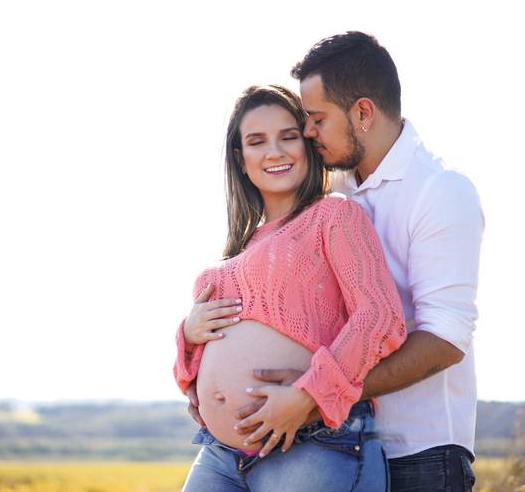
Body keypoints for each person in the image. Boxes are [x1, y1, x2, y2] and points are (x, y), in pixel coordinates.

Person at [227, 32, 485, 491]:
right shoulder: (335, 190)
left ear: (362, 113)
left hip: (420, 453)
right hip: (336, 442)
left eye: (317, 119)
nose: (307, 133)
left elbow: (446, 338)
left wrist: (313, 391)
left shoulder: (440, 191)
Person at [174, 84, 406, 491]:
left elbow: (380, 318)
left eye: (288, 136)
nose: (275, 151)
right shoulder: (234, 254)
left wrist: (308, 395)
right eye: (257, 141)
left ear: (308, 145)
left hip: (311, 441)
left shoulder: (334, 216)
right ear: (240, 158)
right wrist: (188, 335)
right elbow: (190, 373)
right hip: (221, 453)